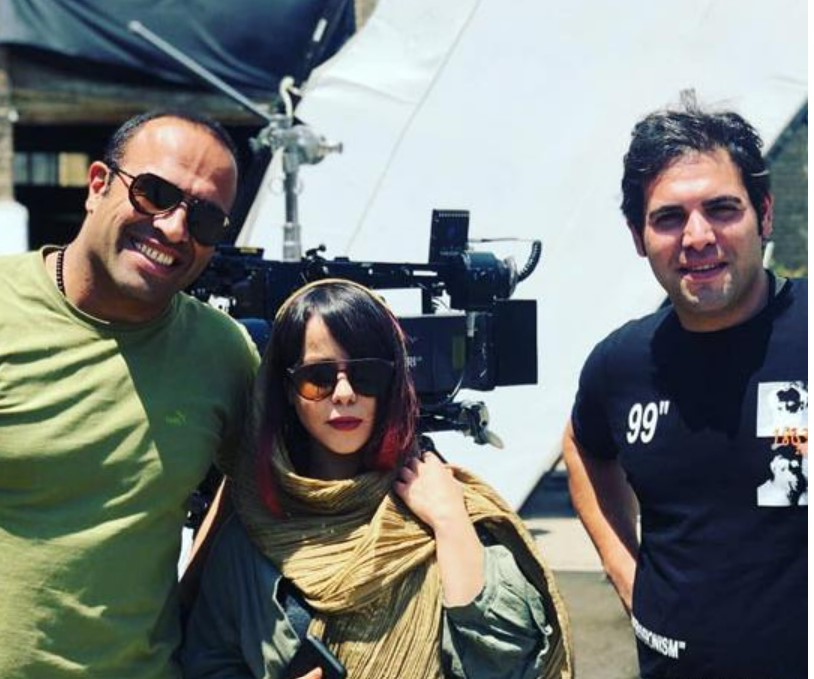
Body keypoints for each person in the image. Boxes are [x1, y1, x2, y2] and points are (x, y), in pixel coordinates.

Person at [182, 279, 573, 679]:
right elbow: (208, 664)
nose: (344, 393)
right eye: (319, 377)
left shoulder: (442, 503)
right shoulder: (251, 537)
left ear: (394, 383)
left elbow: (510, 659)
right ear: (287, 391)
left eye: (366, 374)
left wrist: (451, 524)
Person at [0, 110, 260, 678]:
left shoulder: (223, 354)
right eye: (154, 193)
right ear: (97, 185)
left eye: (206, 219)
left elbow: (262, 486)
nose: (175, 229)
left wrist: (194, 592)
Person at [562, 98, 807, 679]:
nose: (698, 237)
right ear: (638, 236)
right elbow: (582, 445)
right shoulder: (621, 364)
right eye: (669, 218)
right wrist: (627, 575)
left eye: (722, 209)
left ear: (764, 215)